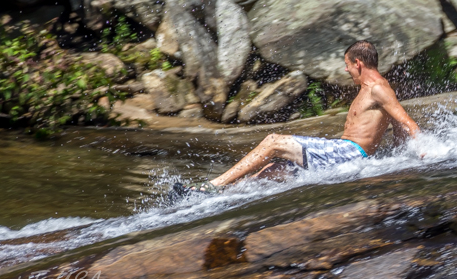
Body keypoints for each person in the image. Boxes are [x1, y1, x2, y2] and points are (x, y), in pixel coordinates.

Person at [175, 40, 420, 195]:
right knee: (273, 169)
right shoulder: (370, 89)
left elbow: (407, 121)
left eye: (347, 65)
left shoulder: (378, 87)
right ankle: (212, 197)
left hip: (350, 153)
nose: (346, 70)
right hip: (344, 153)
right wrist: (399, 159)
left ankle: (214, 185)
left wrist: (424, 152)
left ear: (358, 63)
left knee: (273, 141)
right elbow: (398, 126)